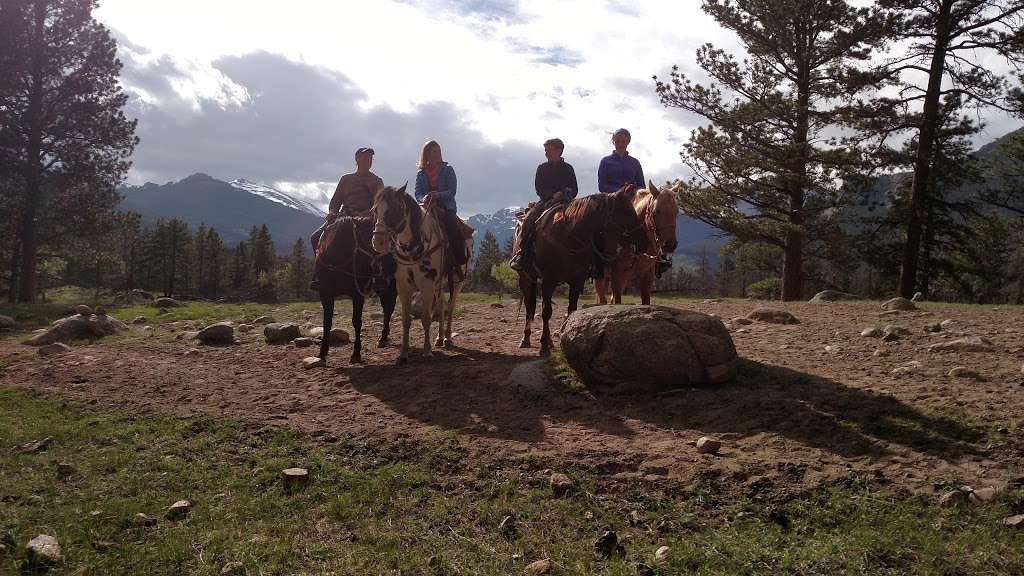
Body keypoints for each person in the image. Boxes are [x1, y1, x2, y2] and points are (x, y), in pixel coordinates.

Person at [309, 147, 383, 289]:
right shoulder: (346, 179)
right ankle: (319, 273)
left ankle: (378, 277)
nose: (368, 160)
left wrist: (366, 214)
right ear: (357, 159)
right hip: (344, 217)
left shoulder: (377, 181)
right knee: (315, 238)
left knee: (379, 245)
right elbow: (335, 201)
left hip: (366, 220)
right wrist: (332, 212)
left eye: (370, 158)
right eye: (364, 157)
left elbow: (379, 204)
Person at [510, 138, 578, 272]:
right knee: (529, 220)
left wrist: (564, 193)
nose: (546, 153)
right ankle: (522, 254)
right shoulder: (542, 168)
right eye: (545, 150)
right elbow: (538, 188)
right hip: (545, 202)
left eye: (549, 150)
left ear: (559, 150)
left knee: (582, 221)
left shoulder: (568, 169)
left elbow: (574, 189)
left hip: (567, 202)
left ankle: (584, 259)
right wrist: (552, 195)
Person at [414, 139, 467, 267]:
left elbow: (452, 191)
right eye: (434, 151)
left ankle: (459, 258)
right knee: (413, 225)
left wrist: (438, 195)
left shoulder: (448, 170)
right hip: (427, 207)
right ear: (427, 154)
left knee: (451, 224)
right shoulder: (421, 174)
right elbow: (417, 193)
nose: (437, 153)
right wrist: (424, 198)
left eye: (439, 151)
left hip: (446, 206)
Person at [597, 128, 645, 193]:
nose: (620, 144)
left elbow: (642, 186)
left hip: (631, 200)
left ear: (628, 142)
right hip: (610, 201)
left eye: (623, 141)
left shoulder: (635, 163)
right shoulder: (605, 162)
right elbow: (602, 186)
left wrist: (632, 190)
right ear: (613, 142)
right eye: (617, 141)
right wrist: (621, 191)